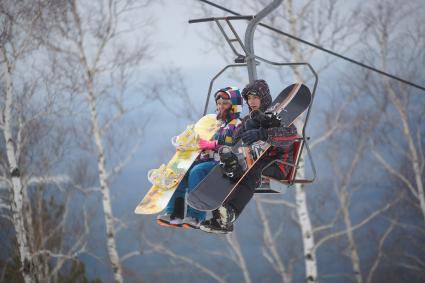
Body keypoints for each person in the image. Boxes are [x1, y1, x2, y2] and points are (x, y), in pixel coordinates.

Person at [200, 79, 299, 234]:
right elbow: (234, 141)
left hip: (278, 163)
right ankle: (220, 218)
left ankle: (231, 211)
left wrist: (264, 134)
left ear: (264, 98)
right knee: (228, 169)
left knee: (251, 171)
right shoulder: (247, 120)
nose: (252, 102)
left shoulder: (278, 118)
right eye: (249, 99)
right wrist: (220, 148)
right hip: (252, 159)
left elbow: (291, 136)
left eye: (255, 98)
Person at [156, 87, 243, 229]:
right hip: (209, 159)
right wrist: (189, 144)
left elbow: (234, 146)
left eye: (225, 103)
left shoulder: (237, 125)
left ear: (233, 105)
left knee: (197, 172)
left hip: (225, 162)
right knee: (181, 171)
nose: (221, 106)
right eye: (219, 103)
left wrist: (213, 144)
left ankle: (196, 216)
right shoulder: (216, 123)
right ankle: (174, 213)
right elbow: (203, 139)